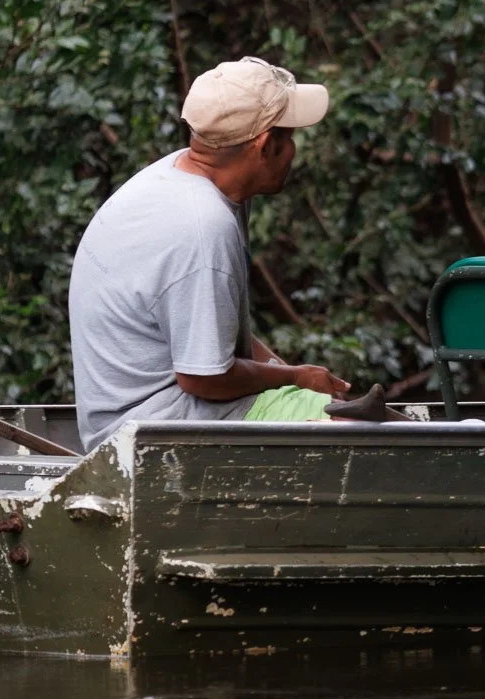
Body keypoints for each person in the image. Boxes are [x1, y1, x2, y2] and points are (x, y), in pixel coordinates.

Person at [69, 57, 395, 451]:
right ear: (263, 146)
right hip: (145, 432)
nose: (293, 151)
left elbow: (207, 327)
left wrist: (287, 372)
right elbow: (203, 378)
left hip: (154, 411)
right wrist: (293, 378)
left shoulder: (181, 176)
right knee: (364, 436)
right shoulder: (203, 226)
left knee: (330, 404)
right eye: (288, 138)